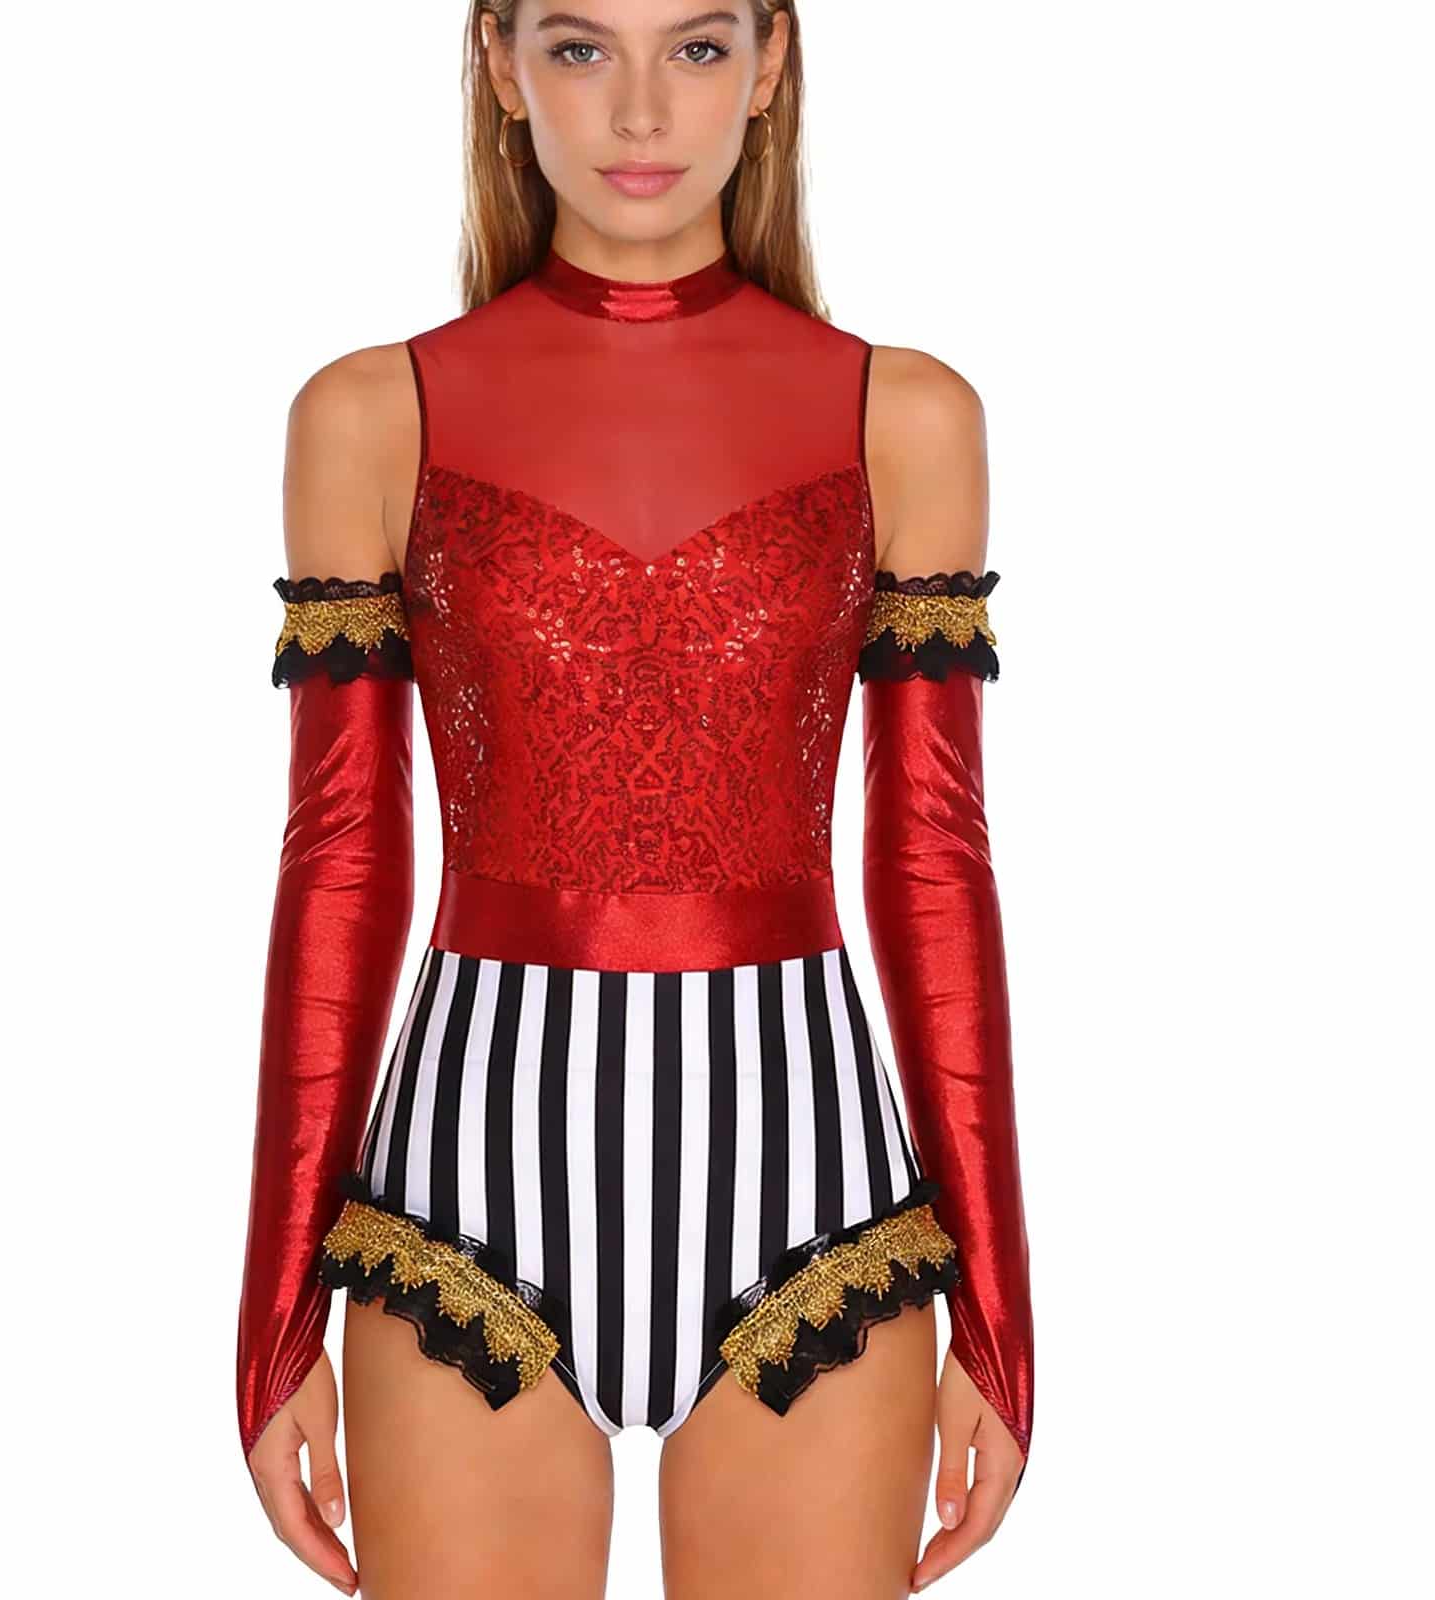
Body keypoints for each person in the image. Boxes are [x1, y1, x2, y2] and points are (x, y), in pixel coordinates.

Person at [235, 4, 1033, 1595]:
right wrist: (273, 1317)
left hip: (811, 1191)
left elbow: (933, 860)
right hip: (464, 1188)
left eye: (701, 48)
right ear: (500, 62)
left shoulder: (904, 416)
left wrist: (1003, 1316)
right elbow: (342, 863)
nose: (644, 111)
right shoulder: (372, 414)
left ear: (772, 62)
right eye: (585, 49)